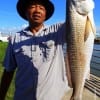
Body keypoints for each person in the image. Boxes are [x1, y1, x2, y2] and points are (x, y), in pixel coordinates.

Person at [0, 0, 70, 100]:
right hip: (22, 96)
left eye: (41, 8)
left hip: (53, 97)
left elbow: (77, 20)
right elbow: (8, 71)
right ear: (25, 13)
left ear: (45, 15)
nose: (37, 10)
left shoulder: (57, 31)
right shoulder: (15, 38)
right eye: (32, 7)